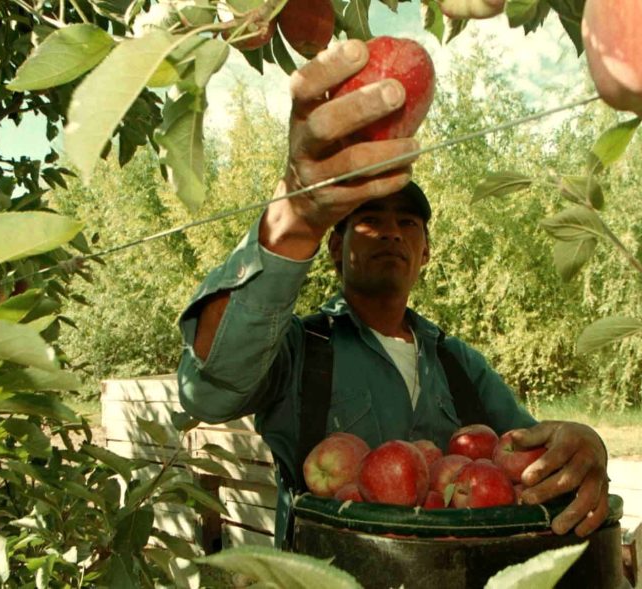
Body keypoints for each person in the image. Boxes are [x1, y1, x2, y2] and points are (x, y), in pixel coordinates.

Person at [176, 39, 610, 547]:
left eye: (407, 222)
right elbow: (205, 391)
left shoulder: (459, 364)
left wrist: (585, 445)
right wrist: (294, 219)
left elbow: (526, 457)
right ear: (334, 248)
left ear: (425, 253)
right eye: (369, 221)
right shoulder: (301, 348)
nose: (390, 233)